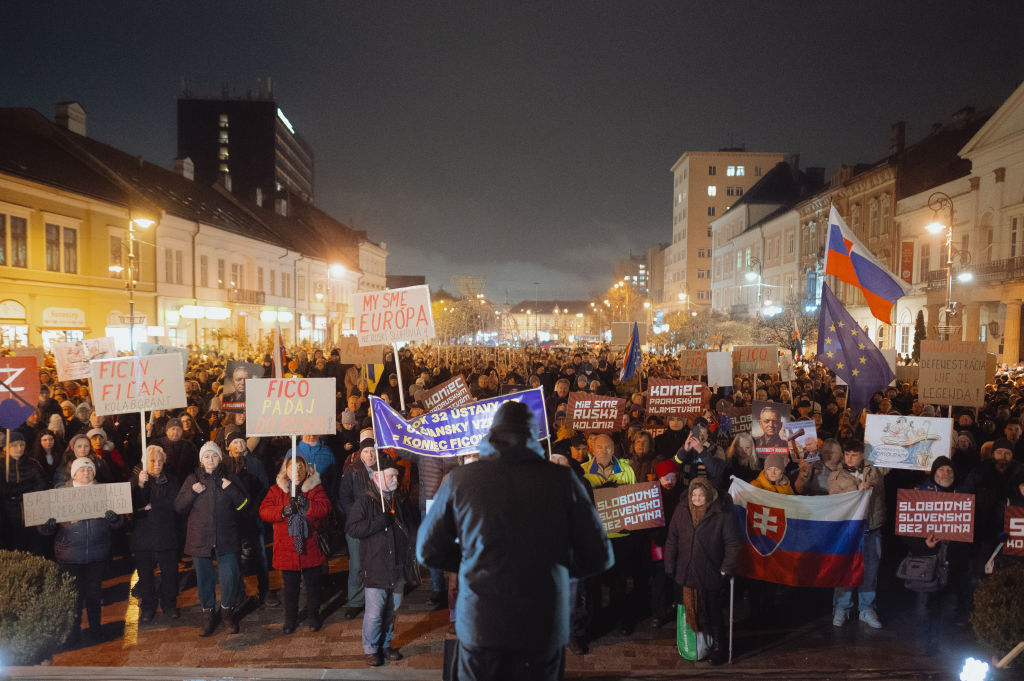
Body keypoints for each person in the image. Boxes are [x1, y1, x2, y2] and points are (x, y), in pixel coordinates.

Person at [418, 401, 613, 681]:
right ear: (531, 436)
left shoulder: (461, 480)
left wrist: (469, 563)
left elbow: (427, 549)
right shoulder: (561, 480)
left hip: (482, 621)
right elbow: (599, 554)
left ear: (492, 436)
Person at [39, 457, 125, 645]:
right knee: (73, 597)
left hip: (97, 553)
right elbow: (43, 528)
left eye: (89, 469)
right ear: (74, 473)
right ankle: (73, 634)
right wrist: (48, 525)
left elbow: (120, 523)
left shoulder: (105, 491)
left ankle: (96, 630)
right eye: (82, 470)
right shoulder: (60, 493)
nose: (86, 472)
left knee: (94, 595)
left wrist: (114, 519)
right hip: (70, 555)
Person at [346, 452, 418, 667]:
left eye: (396, 476)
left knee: (392, 610)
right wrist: (379, 522)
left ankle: (386, 644)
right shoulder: (365, 501)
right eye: (392, 476)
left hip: (397, 566)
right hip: (376, 566)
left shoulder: (399, 499)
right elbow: (353, 528)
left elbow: (410, 527)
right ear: (378, 477)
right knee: (375, 612)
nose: (396, 480)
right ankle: (371, 649)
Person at [174, 442, 249, 636]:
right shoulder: (192, 479)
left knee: (229, 577)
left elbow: (244, 505)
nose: (210, 460)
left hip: (226, 537)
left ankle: (227, 613)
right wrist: (192, 492)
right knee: (204, 579)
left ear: (220, 458)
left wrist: (231, 489)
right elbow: (178, 507)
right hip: (200, 537)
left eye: (214, 456)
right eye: (206, 457)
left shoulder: (229, 478)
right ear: (201, 460)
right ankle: (208, 614)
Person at [664, 477, 740, 666]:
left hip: (710, 571)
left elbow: (732, 543)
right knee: (687, 609)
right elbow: (672, 538)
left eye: (701, 494)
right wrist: (669, 564)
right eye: (694, 494)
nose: (697, 498)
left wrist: (725, 569)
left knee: (713, 611)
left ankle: (719, 648)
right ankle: (692, 644)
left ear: (708, 495)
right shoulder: (682, 510)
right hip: (686, 570)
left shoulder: (722, 512)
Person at [902, 456, 971, 652]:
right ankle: (924, 644)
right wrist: (923, 544)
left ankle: (944, 644)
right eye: (941, 470)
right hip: (926, 560)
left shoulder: (964, 496)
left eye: (949, 470)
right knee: (923, 606)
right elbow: (905, 529)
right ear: (933, 473)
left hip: (953, 561)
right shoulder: (918, 494)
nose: (945, 474)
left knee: (950, 606)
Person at [259, 455, 331, 633]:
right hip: (286, 546)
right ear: (286, 470)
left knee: (313, 585)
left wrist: (308, 505)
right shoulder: (277, 490)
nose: (297, 472)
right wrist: (282, 511)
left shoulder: (314, 488)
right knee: (290, 588)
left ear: (306, 469)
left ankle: (313, 615)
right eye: (292, 468)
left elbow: (326, 508)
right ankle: (290, 619)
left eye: (300, 468)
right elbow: (264, 511)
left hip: (309, 545)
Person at [829, 439, 885, 629]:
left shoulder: (874, 470)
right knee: (845, 569)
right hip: (848, 531)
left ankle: (866, 608)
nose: (849, 458)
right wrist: (856, 489)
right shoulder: (836, 475)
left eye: (854, 454)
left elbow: (885, 475)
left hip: (871, 528)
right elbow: (835, 497)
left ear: (862, 455)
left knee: (870, 571)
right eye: (847, 454)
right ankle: (841, 608)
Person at [130, 445, 182, 622]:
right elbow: (134, 507)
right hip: (144, 536)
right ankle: (148, 607)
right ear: (146, 462)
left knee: (169, 573)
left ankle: (169, 604)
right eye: (153, 461)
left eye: (160, 460)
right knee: (145, 576)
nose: (157, 464)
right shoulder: (137, 480)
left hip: (166, 533)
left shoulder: (172, 480)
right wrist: (140, 484)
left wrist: (153, 507)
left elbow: (174, 504)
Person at [337, 437, 379, 619]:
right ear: (359, 454)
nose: (369, 455)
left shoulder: (384, 468)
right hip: (357, 525)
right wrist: (356, 516)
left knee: (377, 563)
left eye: (372, 451)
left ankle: (376, 599)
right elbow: (344, 498)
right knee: (356, 565)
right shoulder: (352, 471)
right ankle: (355, 601)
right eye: (366, 451)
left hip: (378, 524)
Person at [1, 430, 48, 554]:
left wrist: (23, 495)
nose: (19, 448)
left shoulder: (32, 463)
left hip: (31, 510)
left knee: (33, 543)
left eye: (21, 445)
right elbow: (3, 489)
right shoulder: (1, 465)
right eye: (15, 445)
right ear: (6, 447)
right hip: (8, 514)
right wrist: (19, 492)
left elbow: (41, 483)